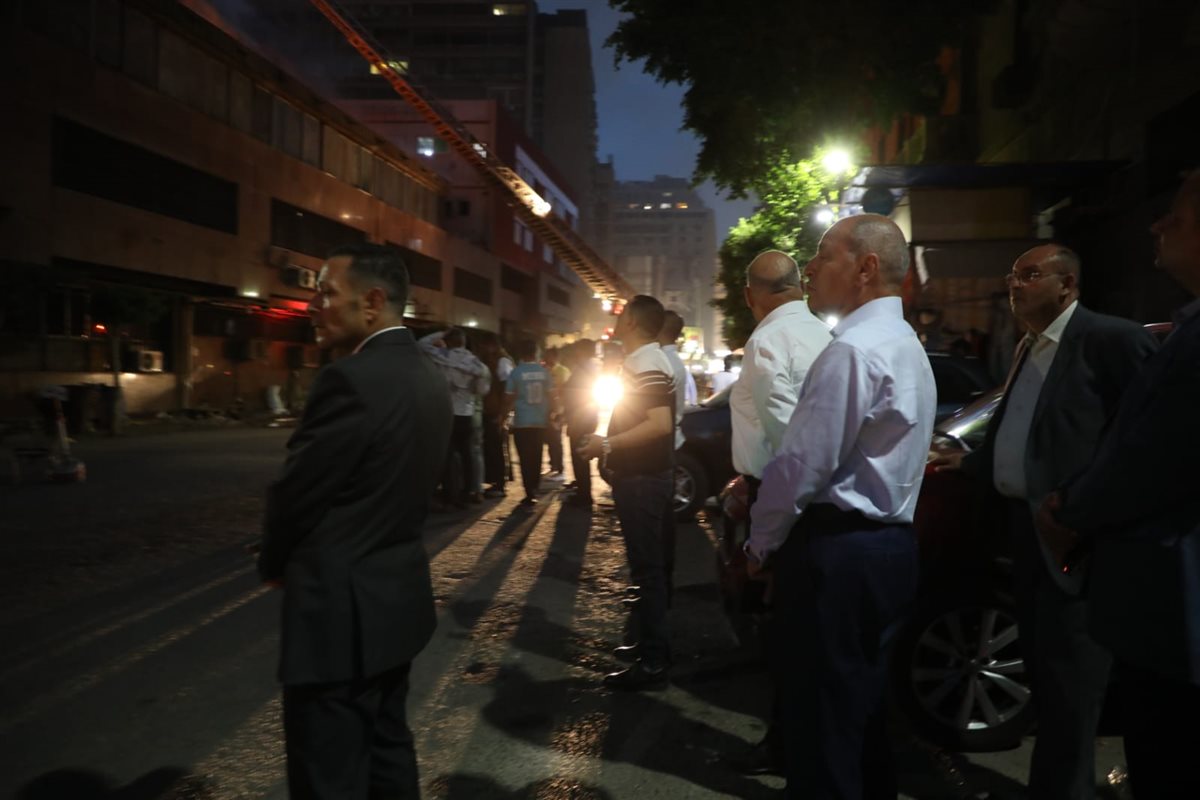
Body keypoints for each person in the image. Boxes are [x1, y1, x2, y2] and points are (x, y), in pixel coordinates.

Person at [934, 244, 1156, 800]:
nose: (1015, 284)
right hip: (1024, 536)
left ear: (1067, 285)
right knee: (1049, 684)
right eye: (1012, 275)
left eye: (1030, 275)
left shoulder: (1110, 339)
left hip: (1076, 541)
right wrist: (969, 462)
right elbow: (1020, 435)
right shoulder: (1028, 346)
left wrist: (1085, 510)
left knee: (1073, 688)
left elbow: (1143, 441)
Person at [744, 215, 936, 799]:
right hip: (889, 550)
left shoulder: (853, 351)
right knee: (864, 716)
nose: (810, 269)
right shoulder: (905, 345)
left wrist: (760, 543)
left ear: (865, 268)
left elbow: (800, 466)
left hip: (838, 555)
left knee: (824, 726)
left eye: (825, 255)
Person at [258, 243, 451, 799]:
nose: (314, 305)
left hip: (339, 616)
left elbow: (297, 493)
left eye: (326, 293)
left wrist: (274, 562)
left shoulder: (350, 379)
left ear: (371, 302)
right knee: (388, 753)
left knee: (329, 774)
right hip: (395, 602)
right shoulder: (429, 375)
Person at [1035, 172, 1200, 799]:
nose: (1157, 225)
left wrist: (1069, 509)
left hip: (1173, 615)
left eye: (1175, 217)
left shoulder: (1168, 342)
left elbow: (1145, 457)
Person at [727, 249, 833, 776]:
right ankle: (802, 744)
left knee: (785, 632)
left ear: (751, 295)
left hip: (785, 496)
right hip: (820, 499)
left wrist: (764, 535)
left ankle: (789, 749)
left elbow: (789, 439)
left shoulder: (767, 339)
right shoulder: (825, 336)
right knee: (808, 633)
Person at [580, 295, 676, 691]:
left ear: (633, 322)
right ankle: (646, 646)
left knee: (648, 571)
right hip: (647, 477)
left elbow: (660, 424)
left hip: (642, 480)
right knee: (650, 569)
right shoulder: (651, 359)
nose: (617, 321)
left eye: (622, 315)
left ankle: (652, 663)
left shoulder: (645, 362)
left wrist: (607, 444)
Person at [419, 327, 490, 507]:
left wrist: (442, 332)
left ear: (449, 341)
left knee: (447, 456)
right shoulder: (476, 364)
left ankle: (450, 495)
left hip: (447, 413)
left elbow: (422, 344)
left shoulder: (443, 356)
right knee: (467, 456)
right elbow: (482, 390)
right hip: (466, 414)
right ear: (464, 343)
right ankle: (469, 492)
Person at [657, 310, 691, 603]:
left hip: (661, 446)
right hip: (671, 442)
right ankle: (661, 584)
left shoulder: (663, 363)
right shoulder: (674, 362)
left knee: (659, 521)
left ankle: (659, 587)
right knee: (663, 520)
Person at [506, 340, 552, 507]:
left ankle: (529, 491)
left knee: (524, 457)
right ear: (535, 353)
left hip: (522, 422)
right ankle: (535, 487)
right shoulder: (544, 372)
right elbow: (552, 395)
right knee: (537, 455)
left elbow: (509, 397)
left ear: (522, 354)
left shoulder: (516, 372)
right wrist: (553, 415)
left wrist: (502, 416)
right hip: (540, 421)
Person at [562, 339, 598, 510]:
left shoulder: (585, 369)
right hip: (584, 417)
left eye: (577, 350)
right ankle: (583, 490)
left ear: (583, 351)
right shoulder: (589, 367)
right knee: (580, 456)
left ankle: (584, 495)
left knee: (580, 456)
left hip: (581, 419)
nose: (575, 353)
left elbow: (577, 396)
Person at [478, 334, 514, 498]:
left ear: (492, 345)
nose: (483, 349)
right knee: (493, 447)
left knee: (497, 448)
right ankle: (496, 482)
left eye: (485, 346)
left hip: (496, 411)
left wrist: (502, 414)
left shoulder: (502, 362)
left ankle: (500, 484)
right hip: (492, 410)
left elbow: (507, 389)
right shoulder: (495, 360)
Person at [542, 346, 570, 476]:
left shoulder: (563, 371)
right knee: (549, 439)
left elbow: (564, 391)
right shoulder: (544, 370)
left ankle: (559, 467)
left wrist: (561, 411)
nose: (546, 358)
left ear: (555, 357)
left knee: (556, 439)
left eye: (549, 356)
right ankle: (553, 464)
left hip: (558, 410)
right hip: (546, 409)